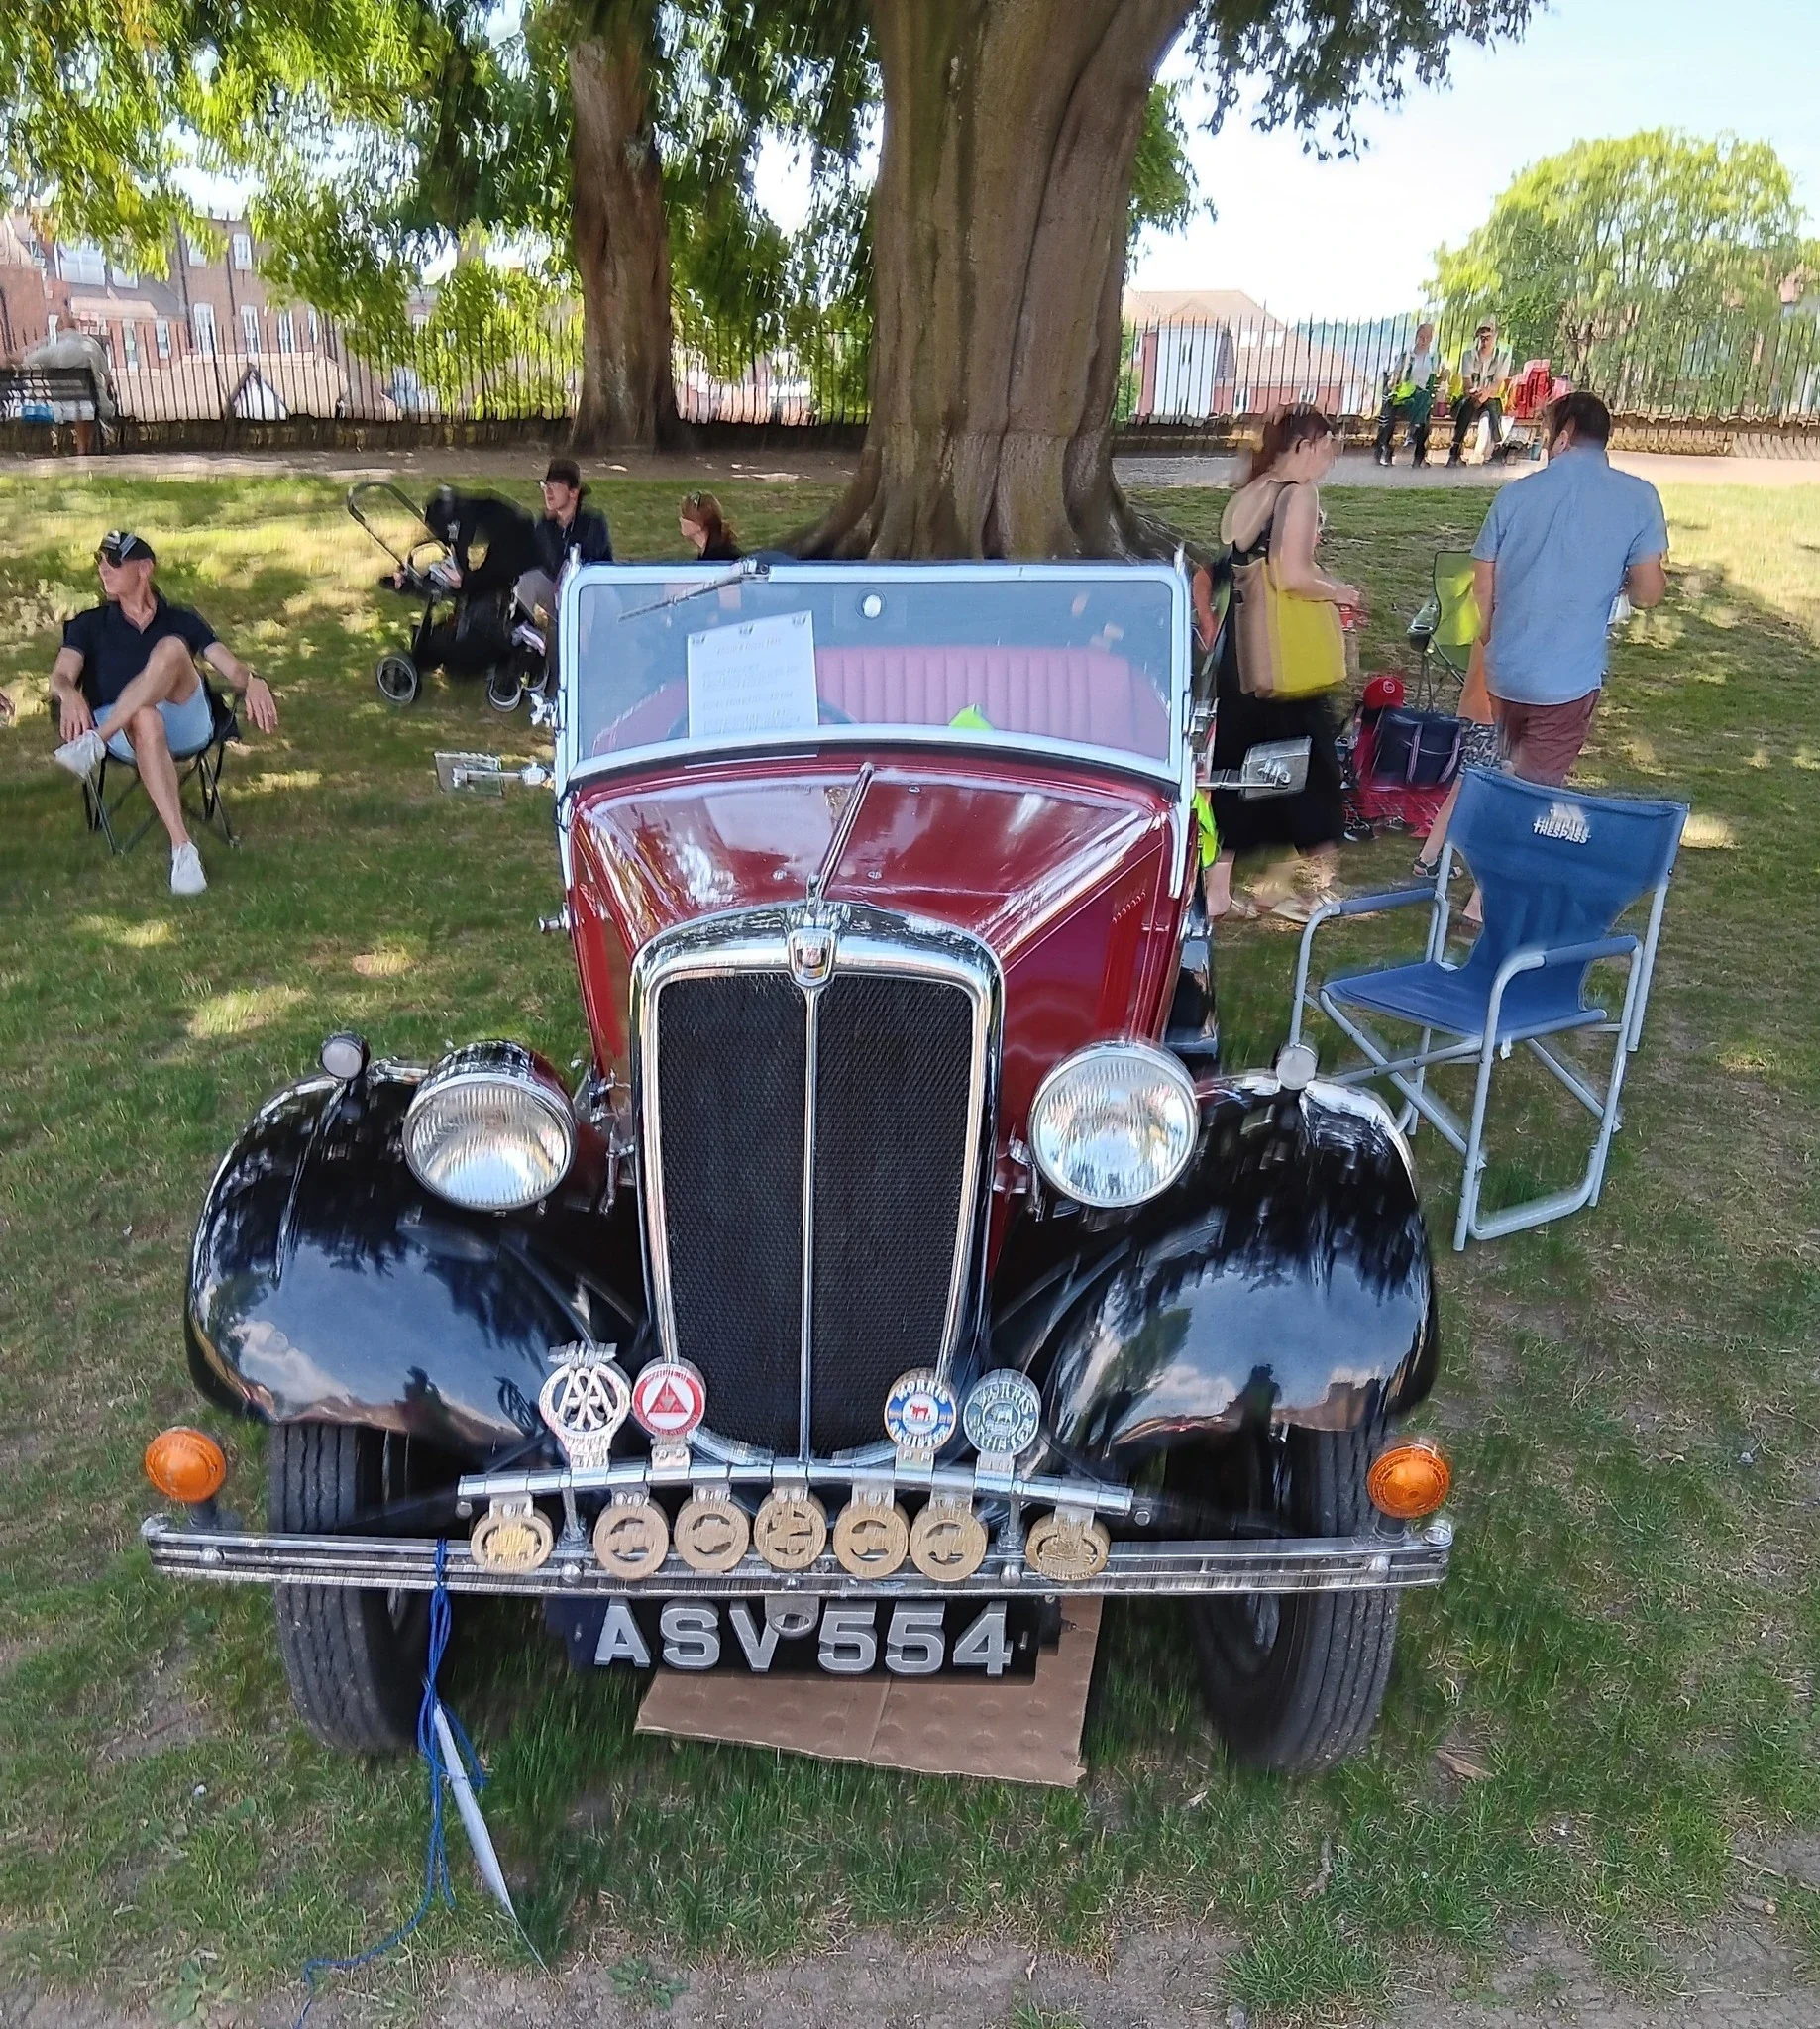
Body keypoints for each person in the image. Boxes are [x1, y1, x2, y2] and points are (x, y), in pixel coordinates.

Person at [1414, 391, 1668, 901]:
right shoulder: (1638, 497)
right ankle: (1483, 906)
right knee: (1533, 791)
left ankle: (1448, 869)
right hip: (1567, 678)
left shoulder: (1517, 495)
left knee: (1503, 771)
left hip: (1506, 669)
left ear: (1566, 433)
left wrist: (1490, 634)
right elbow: (1649, 593)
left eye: (1549, 431)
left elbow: (1482, 573)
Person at [49, 531, 278, 895]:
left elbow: (232, 670)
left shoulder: (181, 619)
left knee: (172, 648)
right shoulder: (89, 624)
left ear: (144, 569)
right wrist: (68, 694)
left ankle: (95, 741)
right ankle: (183, 850)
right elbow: (61, 676)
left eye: (114, 562)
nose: (103, 570)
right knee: (144, 717)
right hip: (131, 734)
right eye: (99, 562)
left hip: (185, 718)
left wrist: (254, 681)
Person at [1203, 405, 1359, 922]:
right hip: (1285, 660)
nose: (1331, 456)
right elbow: (1291, 575)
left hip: (1241, 659)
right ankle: (1316, 891)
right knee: (1314, 775)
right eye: (1327, 445)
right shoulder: (1299, 495)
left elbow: (1234, 559)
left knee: (1238, 776)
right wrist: (1338, 591)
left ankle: (1218, 892)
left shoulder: (1254, 490)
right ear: (1306, 445)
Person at [1374, 321, 1445, 468]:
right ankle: (1409, 433)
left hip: (1421, 398)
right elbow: (1395, 376)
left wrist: (1443, 377)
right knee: (1419, 401)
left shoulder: (1433, 357)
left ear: (1431, 339)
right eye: (1421, 336)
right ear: (1416, 337)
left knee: (1424, 399)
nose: (1423, 340)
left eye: (1427, 337)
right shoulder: (1407, 356)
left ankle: (1417, 446)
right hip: (1404, 396)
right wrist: (1394, 382)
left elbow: (1434, 378)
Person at [1449, 320, 1513, 465]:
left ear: (1495, 336)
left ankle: (1496, 448)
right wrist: (1475, 394)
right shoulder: (1468, 355)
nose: (1484, 341)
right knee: (1468, 405)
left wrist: (1484, 396)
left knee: (1492, 406)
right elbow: (1467, 385)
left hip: (1491, 397)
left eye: (1488, 337)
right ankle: (1456, 448)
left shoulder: (1502, 356)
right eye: (1482, 337)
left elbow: (1497, 385)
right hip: (1472, 396)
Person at [679, 490, 742, 561]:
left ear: (700, 524)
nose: (681, 519)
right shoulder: (712, 554)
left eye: (685, 517)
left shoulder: (721, 559)